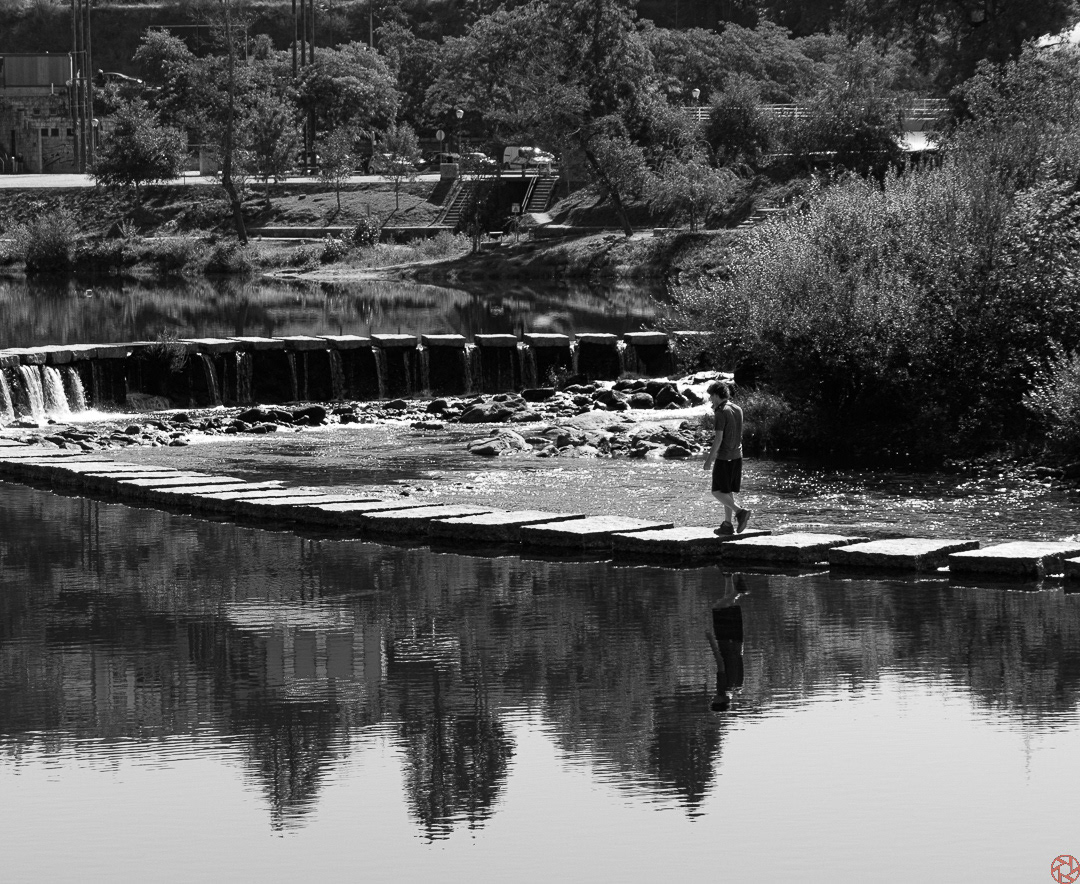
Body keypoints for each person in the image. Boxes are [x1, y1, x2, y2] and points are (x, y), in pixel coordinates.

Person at [702, 379, 751, 535]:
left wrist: (709, 460)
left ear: (717, 395)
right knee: (727, 491)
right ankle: (727, 525)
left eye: (711, 396)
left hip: (725, 457)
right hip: (737, 456)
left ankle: (740, 512)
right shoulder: (737, 408)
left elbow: (718, 439)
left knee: (716, 491)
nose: (710, 399)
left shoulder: (721, 412)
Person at [706, 572, 745, 712]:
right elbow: (720, 663)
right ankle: (738, 591)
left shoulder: (738, 687)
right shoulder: (722, 688)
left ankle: (728, 576)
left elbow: (740, 660)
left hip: (738, 644)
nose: (713, 699)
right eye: (714, 701)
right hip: (725, 643)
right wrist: (711, 641)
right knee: (718, 607)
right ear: (721, 701)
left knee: (728, 605)